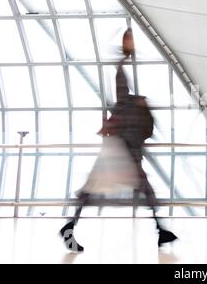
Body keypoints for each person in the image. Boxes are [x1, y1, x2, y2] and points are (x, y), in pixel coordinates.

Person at [59, 28, 177, 253]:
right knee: (129, 188)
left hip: (121, 149)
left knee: (95, 190)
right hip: (121, 151)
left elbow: (122, 91)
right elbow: (121, 87)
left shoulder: (126, 107)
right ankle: (160, 230)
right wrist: (124, 58)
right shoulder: (125, 100)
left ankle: (160, 230)